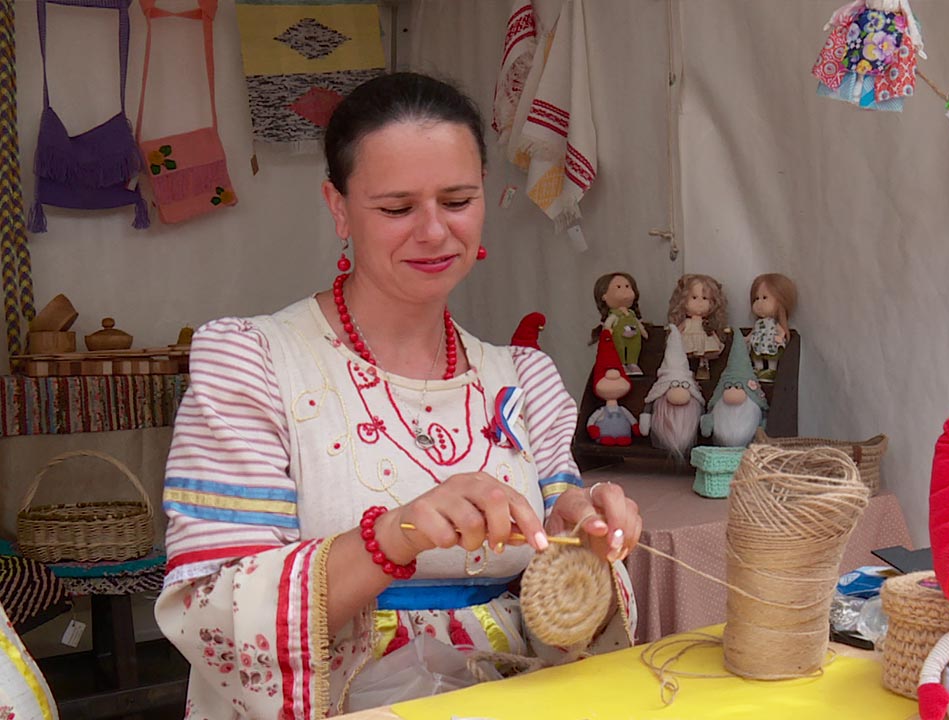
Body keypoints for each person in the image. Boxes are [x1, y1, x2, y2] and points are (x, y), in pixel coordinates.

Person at [154, 72, 643, 719]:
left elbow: (557, 583)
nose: (435, 231)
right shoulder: (256, 365)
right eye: (397, 207)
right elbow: (213, 608)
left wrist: (581, 531)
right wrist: (393, 538)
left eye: (457, 199)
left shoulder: (522, 379)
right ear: (338, 207)